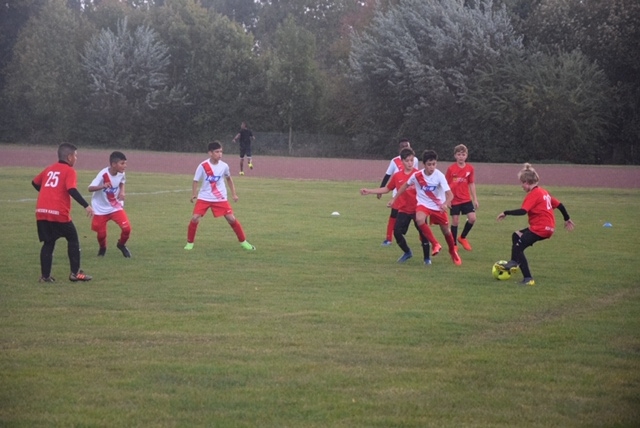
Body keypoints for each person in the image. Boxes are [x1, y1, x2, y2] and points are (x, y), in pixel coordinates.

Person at [496, 163, 575, 286]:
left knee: (518, 248)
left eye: (522, 183)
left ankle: (528, 278)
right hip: (547, 228)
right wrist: (567, 218)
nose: (521, 186)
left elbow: (523, 211)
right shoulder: (544, 192)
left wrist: (506, 212)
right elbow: (560, 205)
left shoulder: (534, 194)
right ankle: (514, 262)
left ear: (527, 182)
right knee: (516, 235)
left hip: (540, 228)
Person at [361, 148, 438, 265]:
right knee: (396, 231)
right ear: (402, 161)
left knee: (423, 233)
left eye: (412, 160)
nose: (410, 163)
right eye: (407, 161)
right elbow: (387, 189)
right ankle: (407, 252)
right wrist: (369, 191)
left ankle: (427, 259)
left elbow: (429, 190)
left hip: (418, 210)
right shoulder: (397, 176)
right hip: (404, 210)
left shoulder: (419, 174)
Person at [32, 143, 93, 282]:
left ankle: (45, 277)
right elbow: (71, 189)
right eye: (75, 155)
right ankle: (75, 274)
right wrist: (86, 205)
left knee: (48, 243)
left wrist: (48, 193)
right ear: (69, 157)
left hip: (41, 212)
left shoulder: (49, 169)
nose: (76, 158)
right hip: (58, 213)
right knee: (73, 239)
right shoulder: (69, 171)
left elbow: (35, 183)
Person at [390, 149, 462, 266]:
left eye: (434, 164)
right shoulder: (417, 175)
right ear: (424, 164)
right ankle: (435, 244)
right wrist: (394, 199)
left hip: (438, 206)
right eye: (429, 164)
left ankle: (452, 251)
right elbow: (404, 186)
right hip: (423, 205)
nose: (432, 167)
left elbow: (450, 195)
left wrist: (445, 203)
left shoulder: (439, 176)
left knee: (446, 231)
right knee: (419, 219)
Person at [185, 141, 255, 251]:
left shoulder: (224, 166)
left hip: (220, 197)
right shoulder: (203, 166)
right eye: (217, 152)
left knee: (231, 218)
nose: (220, 154)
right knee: (195, 218)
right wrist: (194, 194)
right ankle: (190, 243)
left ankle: (243, 242)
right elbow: (195, 180)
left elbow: (229, 179)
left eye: (221, 152)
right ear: (210, 153)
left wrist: (234, 194)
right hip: (204, 197)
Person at [88, 151, 131, 258]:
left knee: (127, 229)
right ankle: (102, 248)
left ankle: (121, 245)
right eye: (122, 163)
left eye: (125, 163)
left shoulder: (121, 172)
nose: (125, 166)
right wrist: (102, 186)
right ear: (113, 164)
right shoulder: (103, 174)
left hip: (115, 206)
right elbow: (90, 188)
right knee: (101, 235)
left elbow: (122, 181)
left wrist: (122, 191)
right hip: (100, 209)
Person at [378, 139, 419, 246]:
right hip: (397, 193)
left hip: (412, 194)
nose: (406, 148)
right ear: (399, 149)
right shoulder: (394, 161)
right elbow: (387, 175)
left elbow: (417, 176)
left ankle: (423, 240)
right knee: (394, 215)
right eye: (404, 147)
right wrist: (381, 189)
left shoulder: (414, 159)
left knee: (418, 219)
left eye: (408, 146)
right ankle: (388, 239)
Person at [445, 144, 478, 251]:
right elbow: (445, 184)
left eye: (463, 154)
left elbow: (471, 183)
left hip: (466, 199)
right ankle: (454, 244)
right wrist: (448, 199)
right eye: (459, 154)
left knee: (472, 218)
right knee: (455, 221)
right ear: (455, 156)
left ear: (466, 156)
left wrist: (475, 199)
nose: (461, 157)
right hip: (454, 199)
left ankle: (462, 237)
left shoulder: (470, 168)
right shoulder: (451, 169)